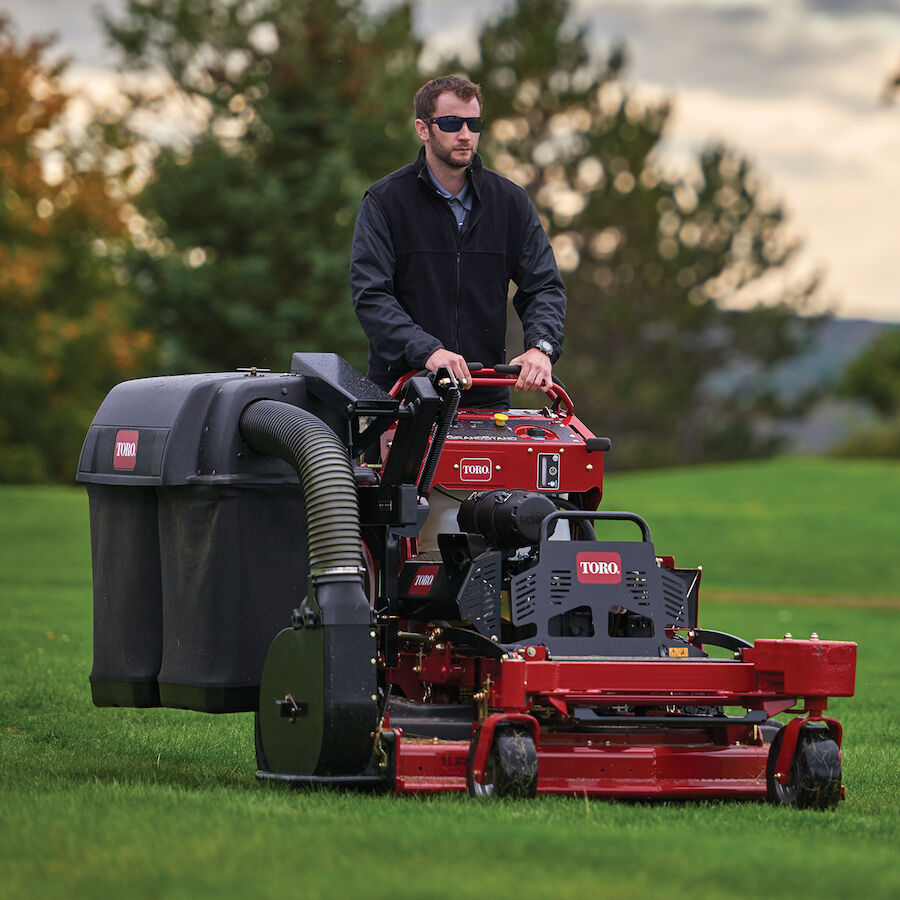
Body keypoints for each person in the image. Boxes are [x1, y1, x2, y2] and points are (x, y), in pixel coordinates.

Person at [350, 75, 566, 407]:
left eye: (473, 123)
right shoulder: (385, 201)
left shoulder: (510, 202)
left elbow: (543, 286)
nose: (465, 135)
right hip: (404, 397)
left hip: (486, 397)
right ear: (423, 128)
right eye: (452, 123)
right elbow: (371, 295)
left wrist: (541, 347)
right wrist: (429, 351)